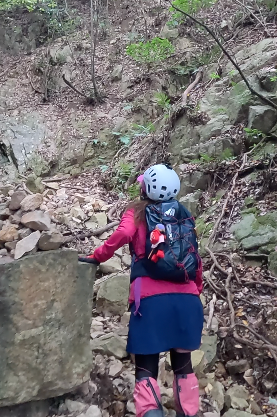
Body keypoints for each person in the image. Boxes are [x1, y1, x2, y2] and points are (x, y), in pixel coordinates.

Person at [79, 164, 204, 417]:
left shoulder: (137, 211)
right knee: (183, 366)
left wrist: (98, 256)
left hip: (150, 303)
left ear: (146, 188)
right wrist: (195, 291)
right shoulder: (184, 215)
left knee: (146, 369)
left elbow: (124, 233)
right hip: (188, 302)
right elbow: (194, 258)